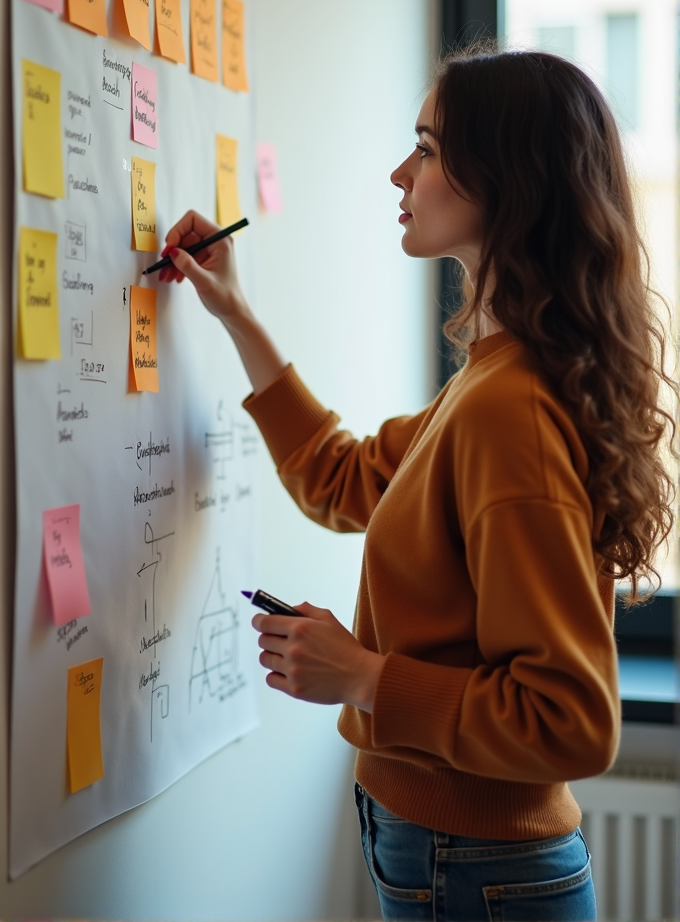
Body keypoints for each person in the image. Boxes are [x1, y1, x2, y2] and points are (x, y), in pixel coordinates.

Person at [160, 45, 675, 922]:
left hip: (479, 870)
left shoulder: (510, 407)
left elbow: (571, 718)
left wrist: (363, 676)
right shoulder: (492, 377)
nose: (402, 172)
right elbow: (342, 477)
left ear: (504, 180)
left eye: (428, 148)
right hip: (462, 861)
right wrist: (234, 313)